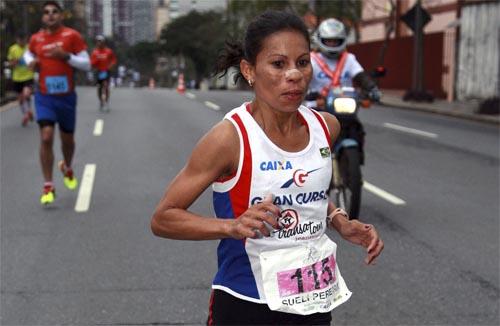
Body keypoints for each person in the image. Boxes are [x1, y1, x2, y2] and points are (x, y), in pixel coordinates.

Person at [151, 10, 383, 325]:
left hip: (312, 301)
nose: (295, 75)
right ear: (249, 70)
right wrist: (231, 227)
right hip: (247, 303)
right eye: (278, 64)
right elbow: (163, 218)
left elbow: (302, 189)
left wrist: (338, 220)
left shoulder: (325, 127)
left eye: (302, 62)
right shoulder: (230, 138)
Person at [23, 1, 90, 205]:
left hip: (66, 98)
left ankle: (67, 167)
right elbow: (28, 53)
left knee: (67, 141)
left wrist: (66, 56)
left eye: (54, 12)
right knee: (46, 136)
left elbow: (87, 64)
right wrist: (30, 62)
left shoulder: (72, 36)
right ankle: (48, 185)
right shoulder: (37, 38)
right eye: (46, 12)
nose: (50, 15)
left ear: (61, 16)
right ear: (43, 17)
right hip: (45, 97)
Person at [307, 18, 381, 110]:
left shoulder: (349, 59)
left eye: (335, 41)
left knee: (356, 124)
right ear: (321, 39)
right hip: (318, 106)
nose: (332, 44)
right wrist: (307, 93)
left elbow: (361, 76)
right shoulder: (311, 59)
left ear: (342, 40)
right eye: (328, 41)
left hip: (344, 104)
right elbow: (302, 79)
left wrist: (372, 88)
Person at [7, 33, 35, 126]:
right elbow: (10, 63)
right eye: (19, 39)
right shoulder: (13, 49)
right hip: (17, 77)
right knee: (20, 99)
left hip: (28, 76)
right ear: (16, 39)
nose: (21, 42)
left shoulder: (29, 48)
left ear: (26, 39)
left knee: (26, 94)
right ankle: (27, 112)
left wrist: (32, 64)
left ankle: (27, 114)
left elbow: (34, 60)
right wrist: (14, 63)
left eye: (23, 40)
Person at [90, 35, 116, 111]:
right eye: (98, 41)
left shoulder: (109, 51)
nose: (99, 43)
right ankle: (101, 101)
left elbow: (113, 60)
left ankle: (107, 102)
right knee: (99, 87)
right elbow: (91, 62)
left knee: (106, 86)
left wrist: (111, 65)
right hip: (98, 71)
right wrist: (95, 61)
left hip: (106, 71)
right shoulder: (95, 52)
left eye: (100, 41)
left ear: (104, 42)